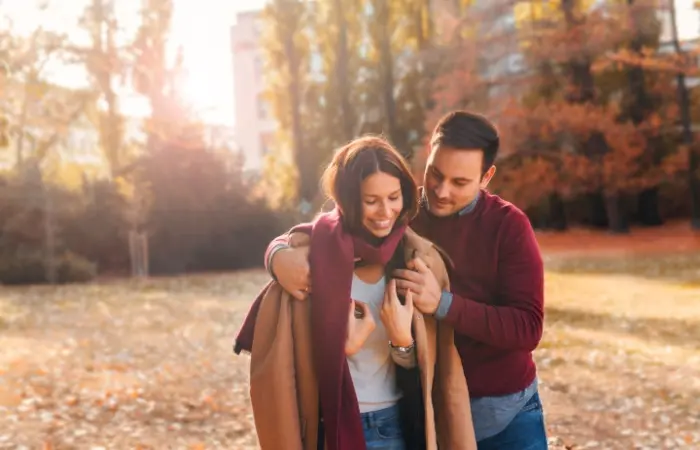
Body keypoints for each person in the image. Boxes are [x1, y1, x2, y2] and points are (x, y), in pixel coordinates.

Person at [265, 111, 547, 450]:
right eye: (435, 174)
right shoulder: (400, 210)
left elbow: (528, 328)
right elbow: (328, 229)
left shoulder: (508, 226)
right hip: (432, 406)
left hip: (505, 409)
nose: (441, 191)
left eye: (460, 183)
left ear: (486, 177)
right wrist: (277, 254)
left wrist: (444, 304)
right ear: (428, 152)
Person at [235, 135, 476, 450]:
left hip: (397, 429)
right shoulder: (308, 261)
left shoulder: (420, 263)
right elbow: (284, 371)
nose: (385, 212)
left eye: (393, 197)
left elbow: (437, 375)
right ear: (348, 200)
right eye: (371, 200)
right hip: (327, 431)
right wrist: (339, 348)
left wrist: (402, 342)